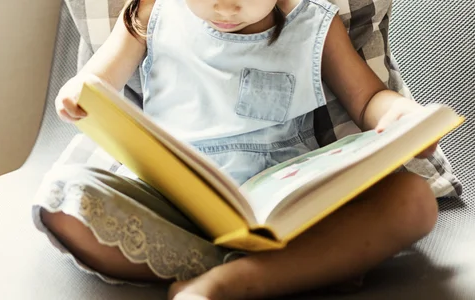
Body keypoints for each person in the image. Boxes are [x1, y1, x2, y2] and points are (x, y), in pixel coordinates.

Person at [31, 0, 458, 299]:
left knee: (413, 201)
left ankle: (233, 282)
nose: (225, 7)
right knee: (62, 198)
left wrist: (401, 114)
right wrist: (74, 97)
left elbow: (367, 100)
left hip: (287, 212)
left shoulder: (314, 23)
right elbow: (93, 84)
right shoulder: (148, 15)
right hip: (173, 203)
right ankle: (290, 271)